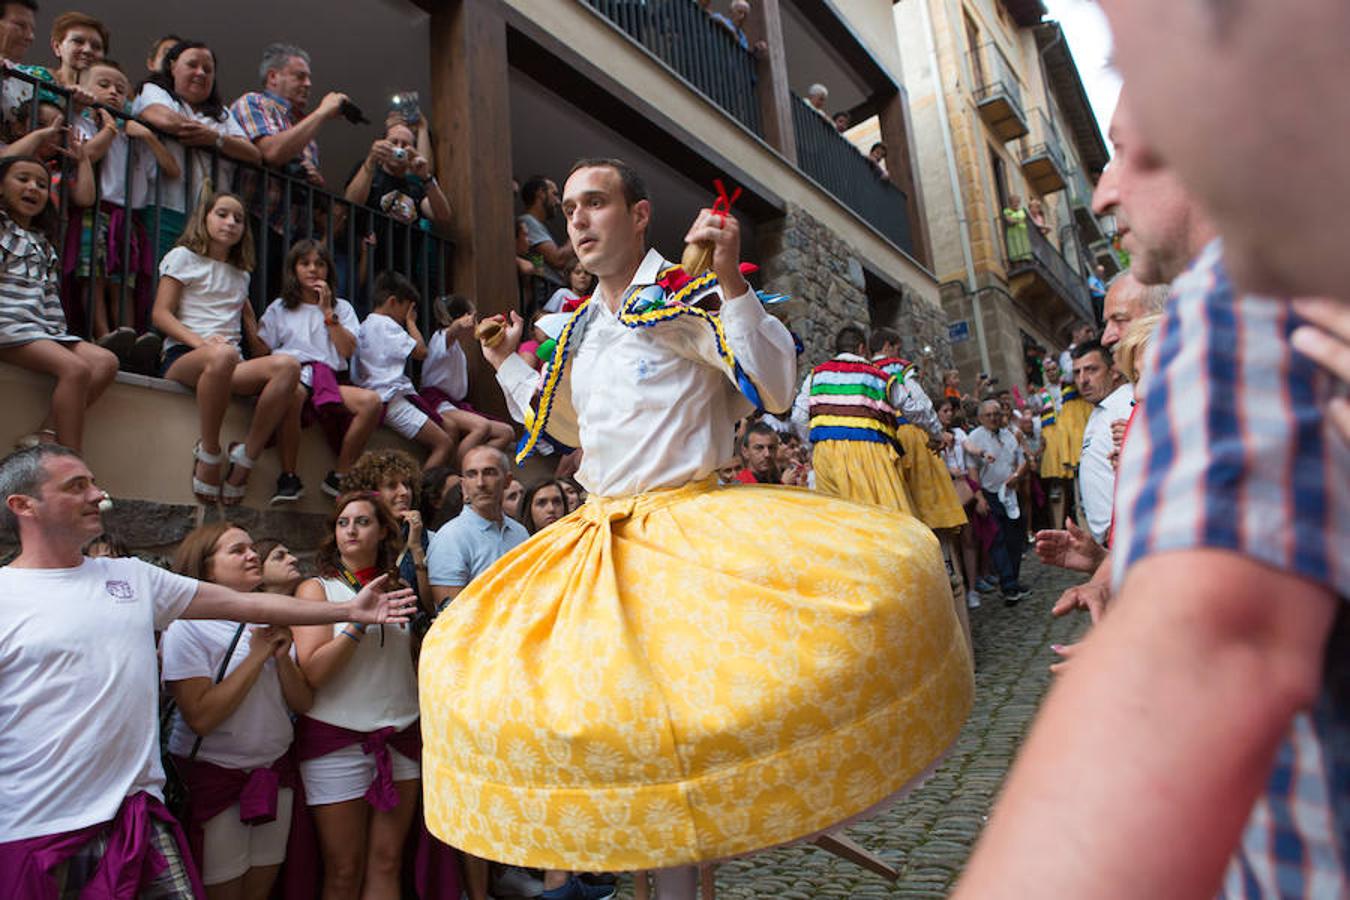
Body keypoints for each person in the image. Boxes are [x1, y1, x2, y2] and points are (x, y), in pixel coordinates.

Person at [418, 157, 972, 898]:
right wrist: (504, 366)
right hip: (601, 542)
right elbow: (571, 425)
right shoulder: (576, 326)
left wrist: (734, 285)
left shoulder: (686, 297)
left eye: (596, 204)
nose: (577, 220)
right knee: (567, 706)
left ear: (639, 215)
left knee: (690, 731)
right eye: (571, 208)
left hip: (688, 532)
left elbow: (774, 387)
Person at [955, 82, 1349, 898]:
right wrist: (1111, 566)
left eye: (1130, 154)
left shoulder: (1238, 309)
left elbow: (1211, 645)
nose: (1101, 192)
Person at [0, 444, 414, 897]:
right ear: (24, 506)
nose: (99, 494)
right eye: (76, 486)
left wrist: (351, 609)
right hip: (34, 828)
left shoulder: (132, 578)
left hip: (136, 819)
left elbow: (249, 602)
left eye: (93, 482)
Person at [161, 522, 313, 899]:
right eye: (237, 550)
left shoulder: (272, 617)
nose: (251, 556)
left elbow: (302, 703)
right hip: (215, 781)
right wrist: (258, 653)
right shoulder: (188, 627)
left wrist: (282, 657)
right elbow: (201, 717)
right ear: (207, 568)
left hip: (273, 776)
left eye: (251, 548)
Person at [292, 492, 422, 900]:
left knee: (387, 862)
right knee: (344, 869)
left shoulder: (400, 587)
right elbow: (312, 672)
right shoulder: (317, 590)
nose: (350, 529)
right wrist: (356, 622)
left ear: (383, 530)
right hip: (338, 740)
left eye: (362, 521)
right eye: (343, 522)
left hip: (400, 734)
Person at [423, 444, 535, 900]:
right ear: (463, 482)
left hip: (514, 671)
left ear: (507, 480)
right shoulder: (452, 537)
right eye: (472, 474)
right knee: (476, 788)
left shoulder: (520, 533)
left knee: (510, 779)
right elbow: (450, 613)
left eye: (491, 472)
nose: (482, 481)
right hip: (472, 675)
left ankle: (508, 871)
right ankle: (478, 890)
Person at [153, 190, 302, 506]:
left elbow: (244, 321)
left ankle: (246, 457)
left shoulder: (241, 273)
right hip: (185, 355)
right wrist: (202, 343)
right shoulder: (182, 257)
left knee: (288, 365)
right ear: (204, 217)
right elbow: (160, 314)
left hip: (229, 361)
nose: (231, 222)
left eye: (238, 219)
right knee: (223, 355)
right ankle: (208, 450)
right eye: (222, 214)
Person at [0, 155, 118, 452]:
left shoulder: (42, 242)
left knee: (105, 361)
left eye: (41, 184)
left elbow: (48, 296)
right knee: (75, 369)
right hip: (8, 325)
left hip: (39, 330)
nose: (33, 188)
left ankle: (47, 435)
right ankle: (70, 462)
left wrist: (57, 333)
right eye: (23, 179)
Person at [257, 238, 382, 500]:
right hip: (294, 375)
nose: (313, 269)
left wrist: (327, 312)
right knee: (294, 394)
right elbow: (261, 350)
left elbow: (347, 350)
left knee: (371, 402)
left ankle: (340, 475)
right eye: (305, 263)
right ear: (294, 270)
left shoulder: (342, 307)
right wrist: (247, 319)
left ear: (328, 270)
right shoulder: (280, 308)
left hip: (329, 381)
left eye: (320, 264)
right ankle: (288, 477)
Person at [75, 60, 180, 350]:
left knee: (125, 282)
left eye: (120, 90)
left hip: (129, 218)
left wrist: (147, 135)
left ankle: (128, 336)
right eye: (104, 85)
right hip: (97, 211)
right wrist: (108, 128)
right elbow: (86, 155)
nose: (112, 93)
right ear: (85, 90)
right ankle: (101, 333)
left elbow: (172, 169)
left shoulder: (133, 137)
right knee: (94, 276)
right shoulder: (82, 124)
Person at [132, 40, 260, 257]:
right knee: (161, 279)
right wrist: (216, 138)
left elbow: (253, 154)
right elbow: (163, 118)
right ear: (172, 67)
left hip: (210, 220)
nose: (201, 73)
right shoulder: (154, 90)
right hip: (166, 207)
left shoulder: (222, 114)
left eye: (208, 70)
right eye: (192, 65)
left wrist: (215, 138)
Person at [789, 324, 913, 513]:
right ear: (862, 348)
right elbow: (914, 406)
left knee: (839, 518)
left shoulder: (816, 375)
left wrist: (813, 445)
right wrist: (936, 433)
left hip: (826, 453)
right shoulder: (877, 375)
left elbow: (798, 417)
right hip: (868, 451)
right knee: (879, 515)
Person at [353, 271, 459, 468]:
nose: (405, 316)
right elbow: (421, 351)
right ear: (393, 302)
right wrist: (411, 323)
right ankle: (426, 492)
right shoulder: (386, 325)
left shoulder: (365, 324)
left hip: (381, 396)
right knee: (444, 442)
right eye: (406, 309)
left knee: (449, 427)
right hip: (390, 398)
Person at [871, 328, 968, 534]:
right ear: (887, 346)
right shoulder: (898, 367)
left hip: (881, 441)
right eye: (897, 348)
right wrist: (937, 432)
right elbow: (920, 404)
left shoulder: (866, 371)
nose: (898, 353)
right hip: (911, 433)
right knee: (929, 507)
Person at [340, 448, 436, 619]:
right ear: (372, 493)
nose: (404, 492)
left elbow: (431, 607)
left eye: (407, 485)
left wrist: (416, 548)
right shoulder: (357, 537)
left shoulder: (430, 539)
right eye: (392, 485)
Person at [420, 293, 516, 462]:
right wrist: (458, 324)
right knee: (481, 426)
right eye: (473, 317)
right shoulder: (441, 337)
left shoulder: (457, 346)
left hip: (453, 405)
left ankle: (475, 463)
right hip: (436, 402)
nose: (475, 322)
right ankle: (459, 473)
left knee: (506, 432)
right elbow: (452, 332)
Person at [963, 399, 1028, 604]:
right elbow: (972, 471)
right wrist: (979, 498)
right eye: (988, 415)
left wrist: (1017, 475)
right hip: (989, 493)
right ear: (981, 418)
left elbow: (1022, 461)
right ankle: (1008, 586)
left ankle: (1014, 581)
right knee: (997, 539)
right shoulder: (975, 438)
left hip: (1010, 493)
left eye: (996, 414)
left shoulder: (1009, 435)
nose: (993, 418)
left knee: (1015, 538)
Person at [1069, 340, 1130, 545]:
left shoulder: (1127, 402)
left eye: (1091, 370)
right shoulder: (1100, 409)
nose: (1083, 380)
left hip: (1128, 533)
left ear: (1114, 371)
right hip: (1110, 540)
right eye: (1077, 373)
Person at [344, 119, 451, 230]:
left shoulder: (415, 188)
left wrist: (426, 177)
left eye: (405, 145)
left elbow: (443, 216)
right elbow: (351, 204)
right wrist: (371, 160)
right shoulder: (368, 171)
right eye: (393, 142)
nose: (399, 148)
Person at [517, 175, 573, 291]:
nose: (558, 202)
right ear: (541, 193)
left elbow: (545, 262)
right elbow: (558, 260)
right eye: (554, 194)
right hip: (547, 295)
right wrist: (577, 231)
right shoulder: (528, 222)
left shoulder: (536, 224)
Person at [1002, 195, 1030, 262]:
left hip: (1023, 233)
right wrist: (1019, 221)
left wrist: (1017, 221)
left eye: (1018, 202)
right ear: (1010, 203)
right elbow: (1010, 220)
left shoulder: (1022, 211)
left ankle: (1026, 261)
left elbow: (1027, 221)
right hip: (1014, 233)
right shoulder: (1007, 211)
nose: (1016, 204)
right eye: (1014, 202)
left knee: (1025, 249)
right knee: (1016, 249)